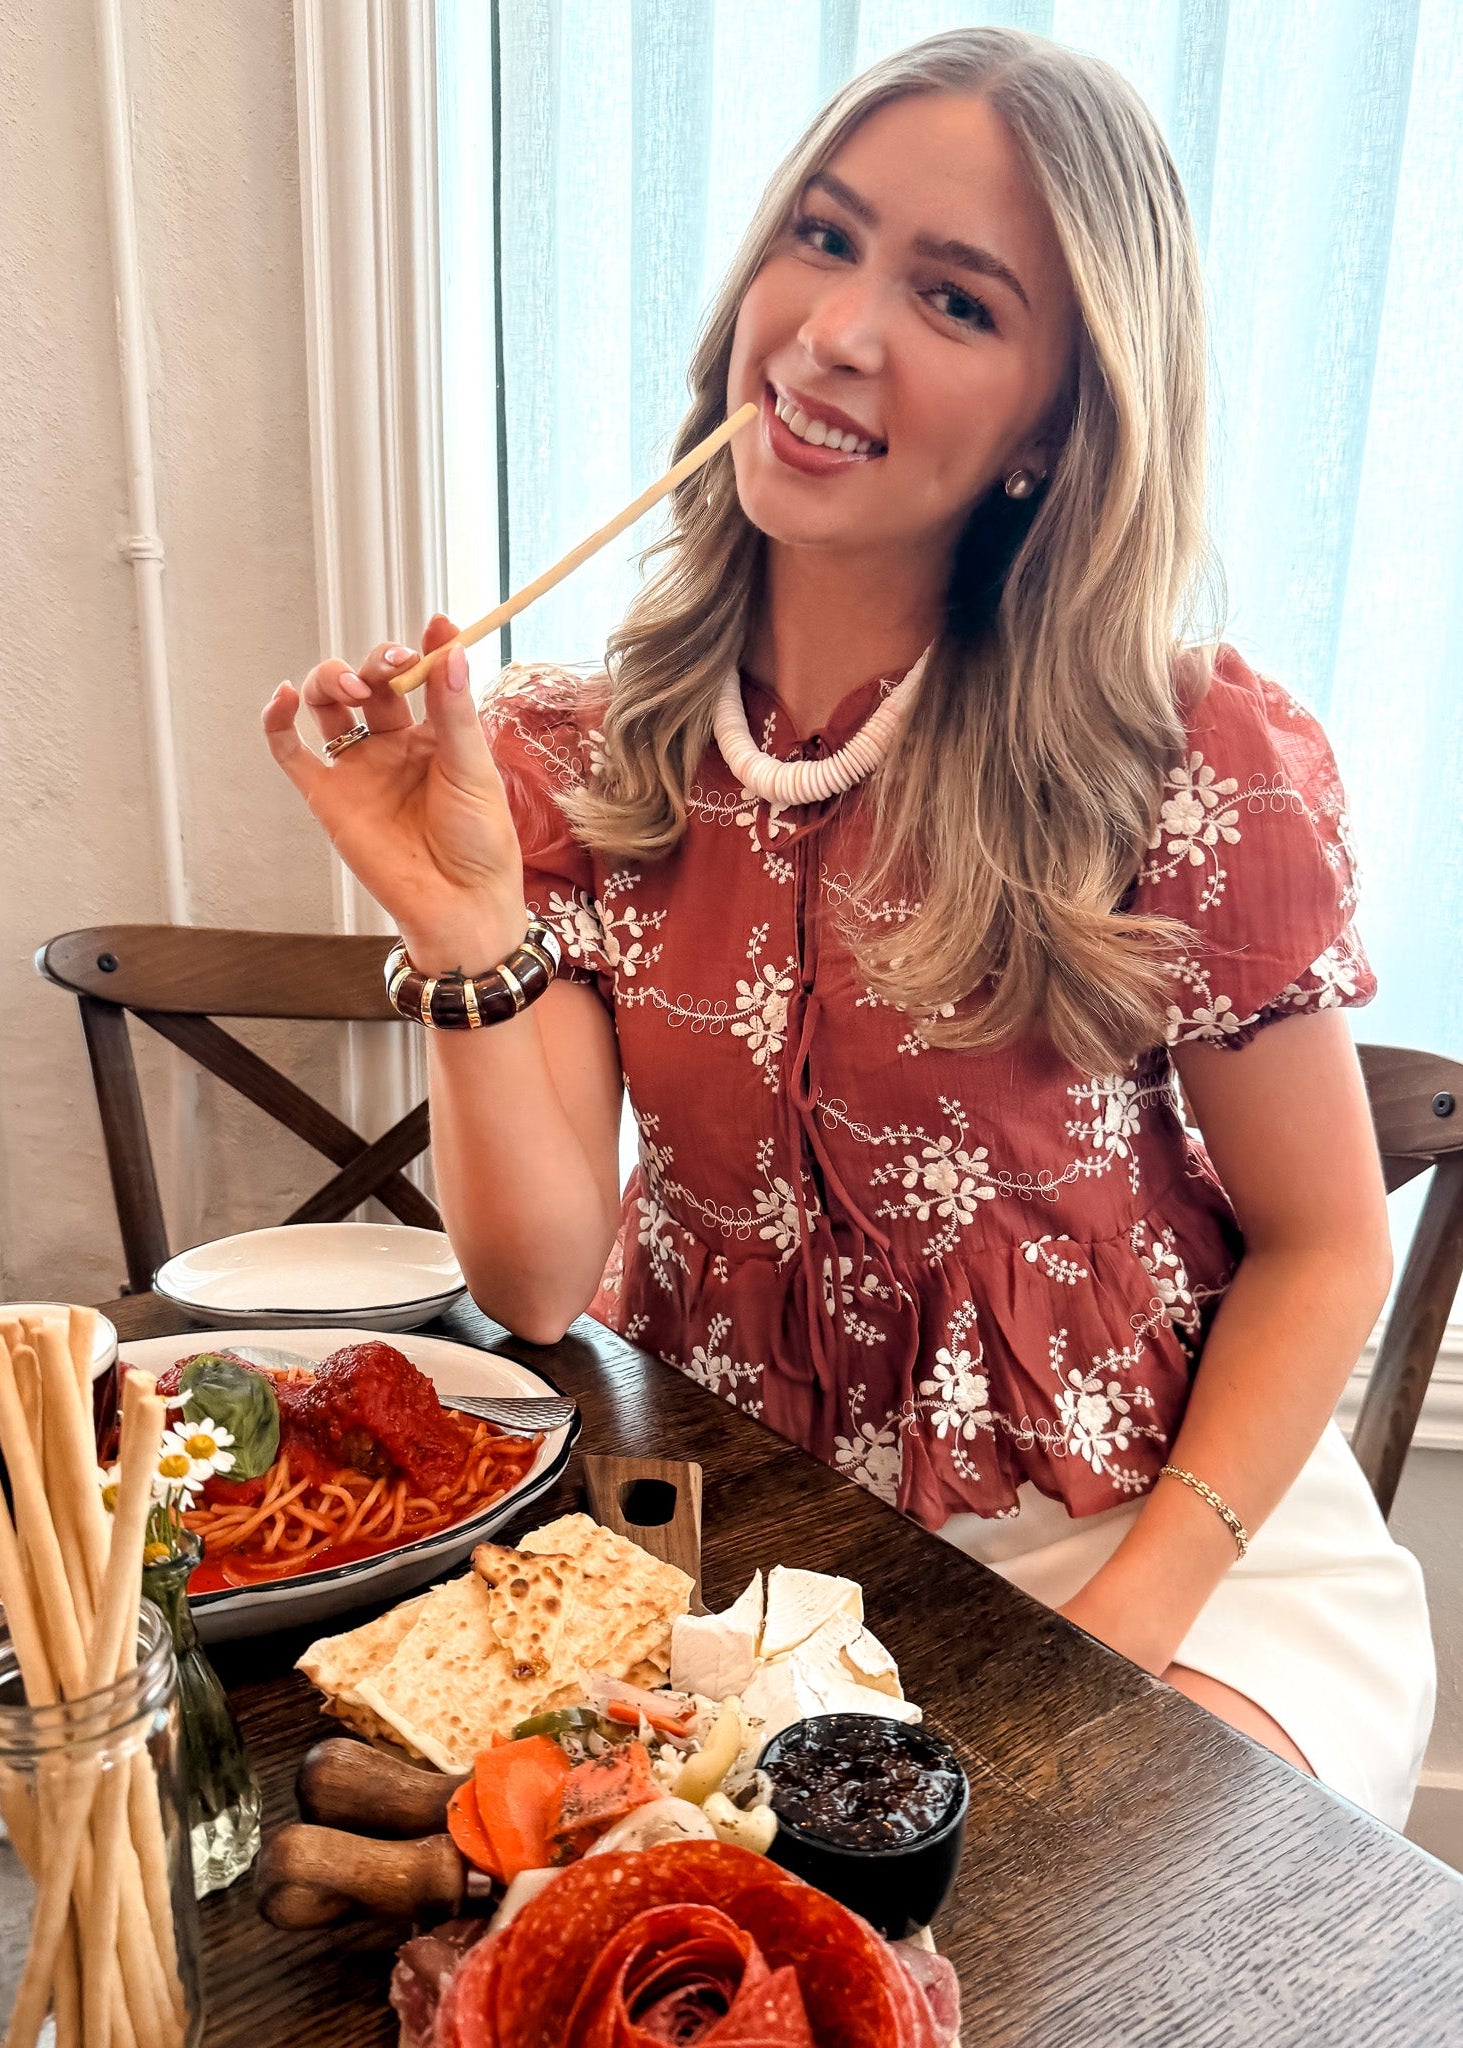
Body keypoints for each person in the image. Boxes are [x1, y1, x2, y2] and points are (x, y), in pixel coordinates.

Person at [264, 28, 1435, 1830]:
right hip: (754, 1561)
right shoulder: (565, 761)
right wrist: (466, 924)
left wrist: (1122, 1625)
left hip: (1157, 1553)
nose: (833, 331)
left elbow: (1327, 1252)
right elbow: (530, 1279)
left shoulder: (1193, 757)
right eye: (822, 237)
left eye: (956, 302)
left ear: (1059, 421)